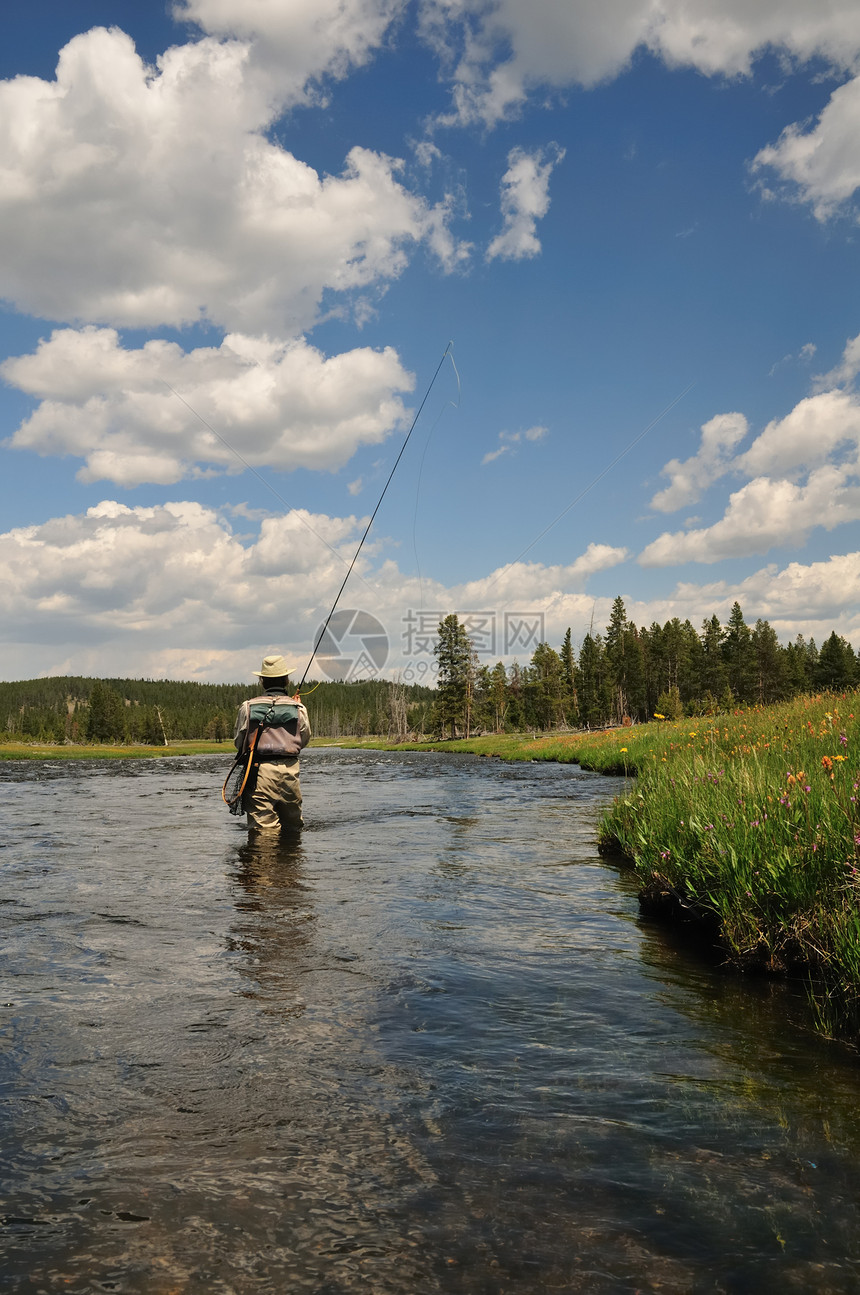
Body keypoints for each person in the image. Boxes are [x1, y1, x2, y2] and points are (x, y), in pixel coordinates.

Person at [234, 654, 312, 833]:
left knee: (263, 832)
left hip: (259, 773)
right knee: (293, 830)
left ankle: (264, 861)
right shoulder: (299, 708)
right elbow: (303, 740)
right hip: (290, 772)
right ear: (286, 681)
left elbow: (240, 742)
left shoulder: (247, 707)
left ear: (262, 681)